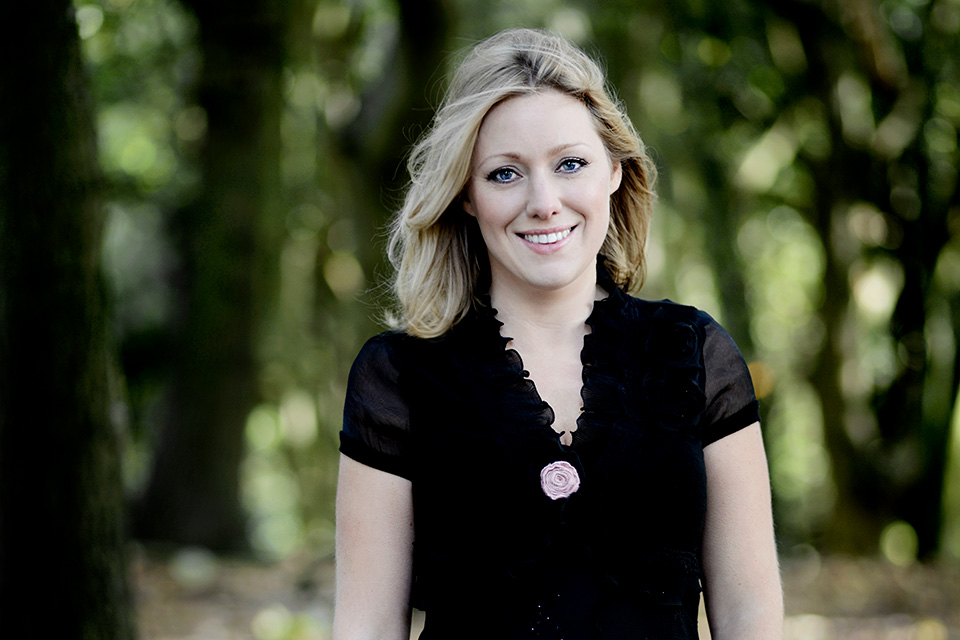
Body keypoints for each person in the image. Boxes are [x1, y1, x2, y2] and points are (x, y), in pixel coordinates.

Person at [333, 28, 783, 639]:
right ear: (465, 195)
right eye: (504, 174)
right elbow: (364, 625)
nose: (544, 201)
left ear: (615, 173)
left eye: (570, 164)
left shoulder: (695, 354)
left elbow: (751, 612)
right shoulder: (399, 376)